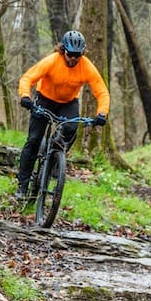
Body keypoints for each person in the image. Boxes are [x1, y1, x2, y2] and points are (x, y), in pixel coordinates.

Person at [14, 30, 110, 202]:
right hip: (44, 99)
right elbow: (27, 78)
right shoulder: (52, 61)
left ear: (82, 53)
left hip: (68, 103)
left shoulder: (86, 66)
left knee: (71, 128)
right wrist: (25, 96)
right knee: (34, 140)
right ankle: (22, 185)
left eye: (77, 55)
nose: (73, 58)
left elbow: (102, 91)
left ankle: (55, 159)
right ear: (63, 50)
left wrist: (102, 113)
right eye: (70, 54)